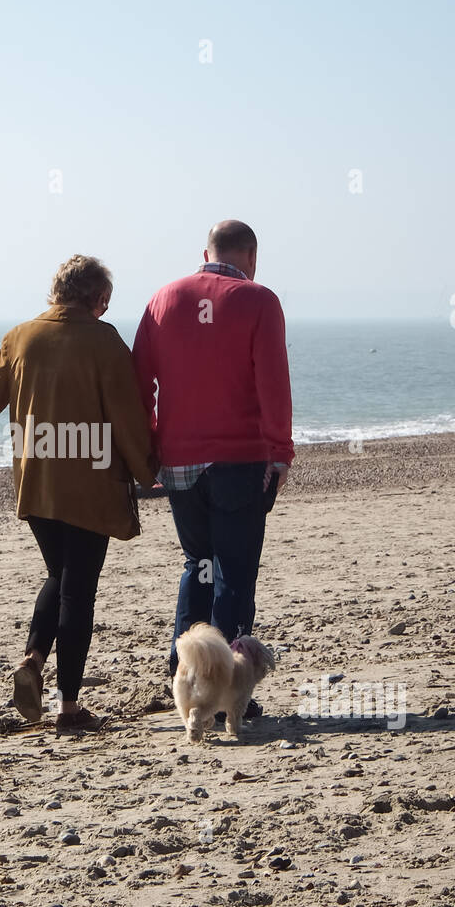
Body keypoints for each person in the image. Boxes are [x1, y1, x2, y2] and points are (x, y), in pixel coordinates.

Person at [0, 255, 156, 732]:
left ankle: (32, 660)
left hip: (37, 480)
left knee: (61, 574)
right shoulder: (104, 340)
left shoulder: (19, 337)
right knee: (79, 591)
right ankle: (69, 709)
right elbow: (126, 414)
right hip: (91, 482)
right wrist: (147, 468)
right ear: (98, 299)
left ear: (56, 292)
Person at [132, 220, 293, 721]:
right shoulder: (259, 301)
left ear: (205, 253)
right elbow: (273, 383)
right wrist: (280, 451)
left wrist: (152, 444)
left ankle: (184, 674)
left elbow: (141, 383)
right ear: (251, 256)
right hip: (240, 460)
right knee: (234, 571)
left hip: (180, 462)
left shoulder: (163, 299)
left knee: (197, 563)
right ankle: (226, 684)